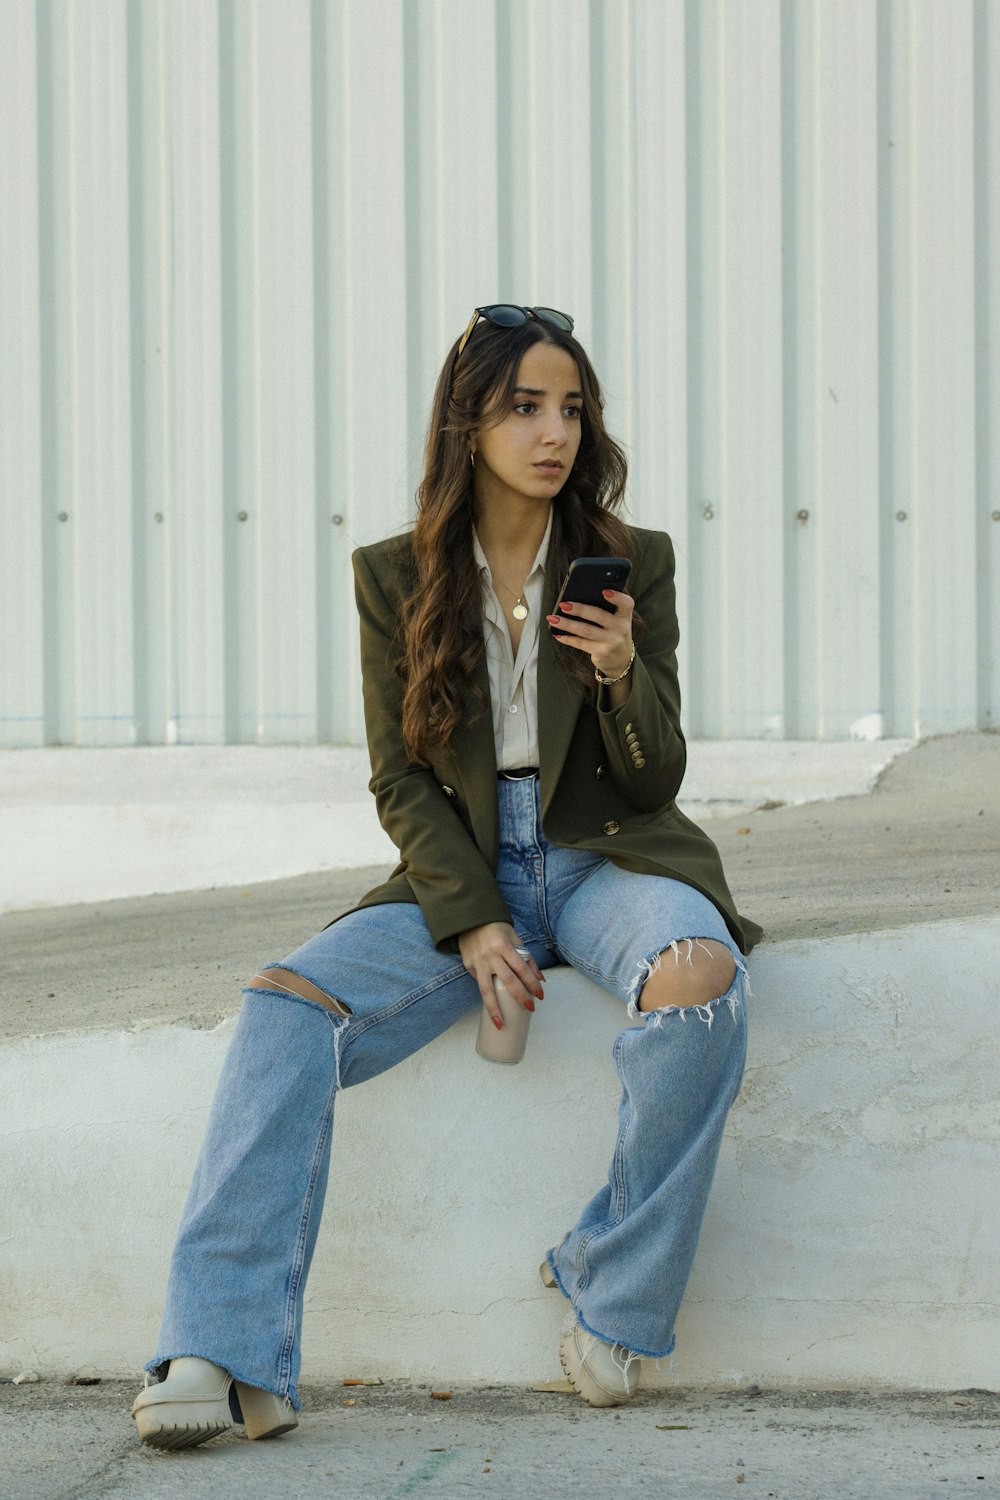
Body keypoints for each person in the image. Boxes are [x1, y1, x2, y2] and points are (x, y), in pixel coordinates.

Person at [132, 304, 761, 1449]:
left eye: (570, 407)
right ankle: (222, 1351)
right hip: (463, 865)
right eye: (524, 405)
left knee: (700, 975)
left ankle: (609, 1287)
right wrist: (472, 923)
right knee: (284, 1004)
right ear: (468, 421)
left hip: (606, 857)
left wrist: (622, 676)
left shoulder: (633, 563)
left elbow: (658, 774)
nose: (552, 430)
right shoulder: (394, 578)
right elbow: (401, 781)